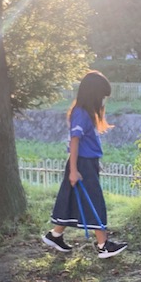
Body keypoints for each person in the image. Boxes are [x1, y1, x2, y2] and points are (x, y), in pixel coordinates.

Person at [42, 70, 128, 258]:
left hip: (87, 163)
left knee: (72, 198)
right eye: (102, 96)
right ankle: (103, 245)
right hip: (81, 164)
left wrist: (93, 163)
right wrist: (74, 170)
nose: (103, 101)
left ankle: (55, 235)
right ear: (93, 94)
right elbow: (75, 141)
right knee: (94, 201)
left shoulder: (86, 113)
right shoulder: (81, 113)